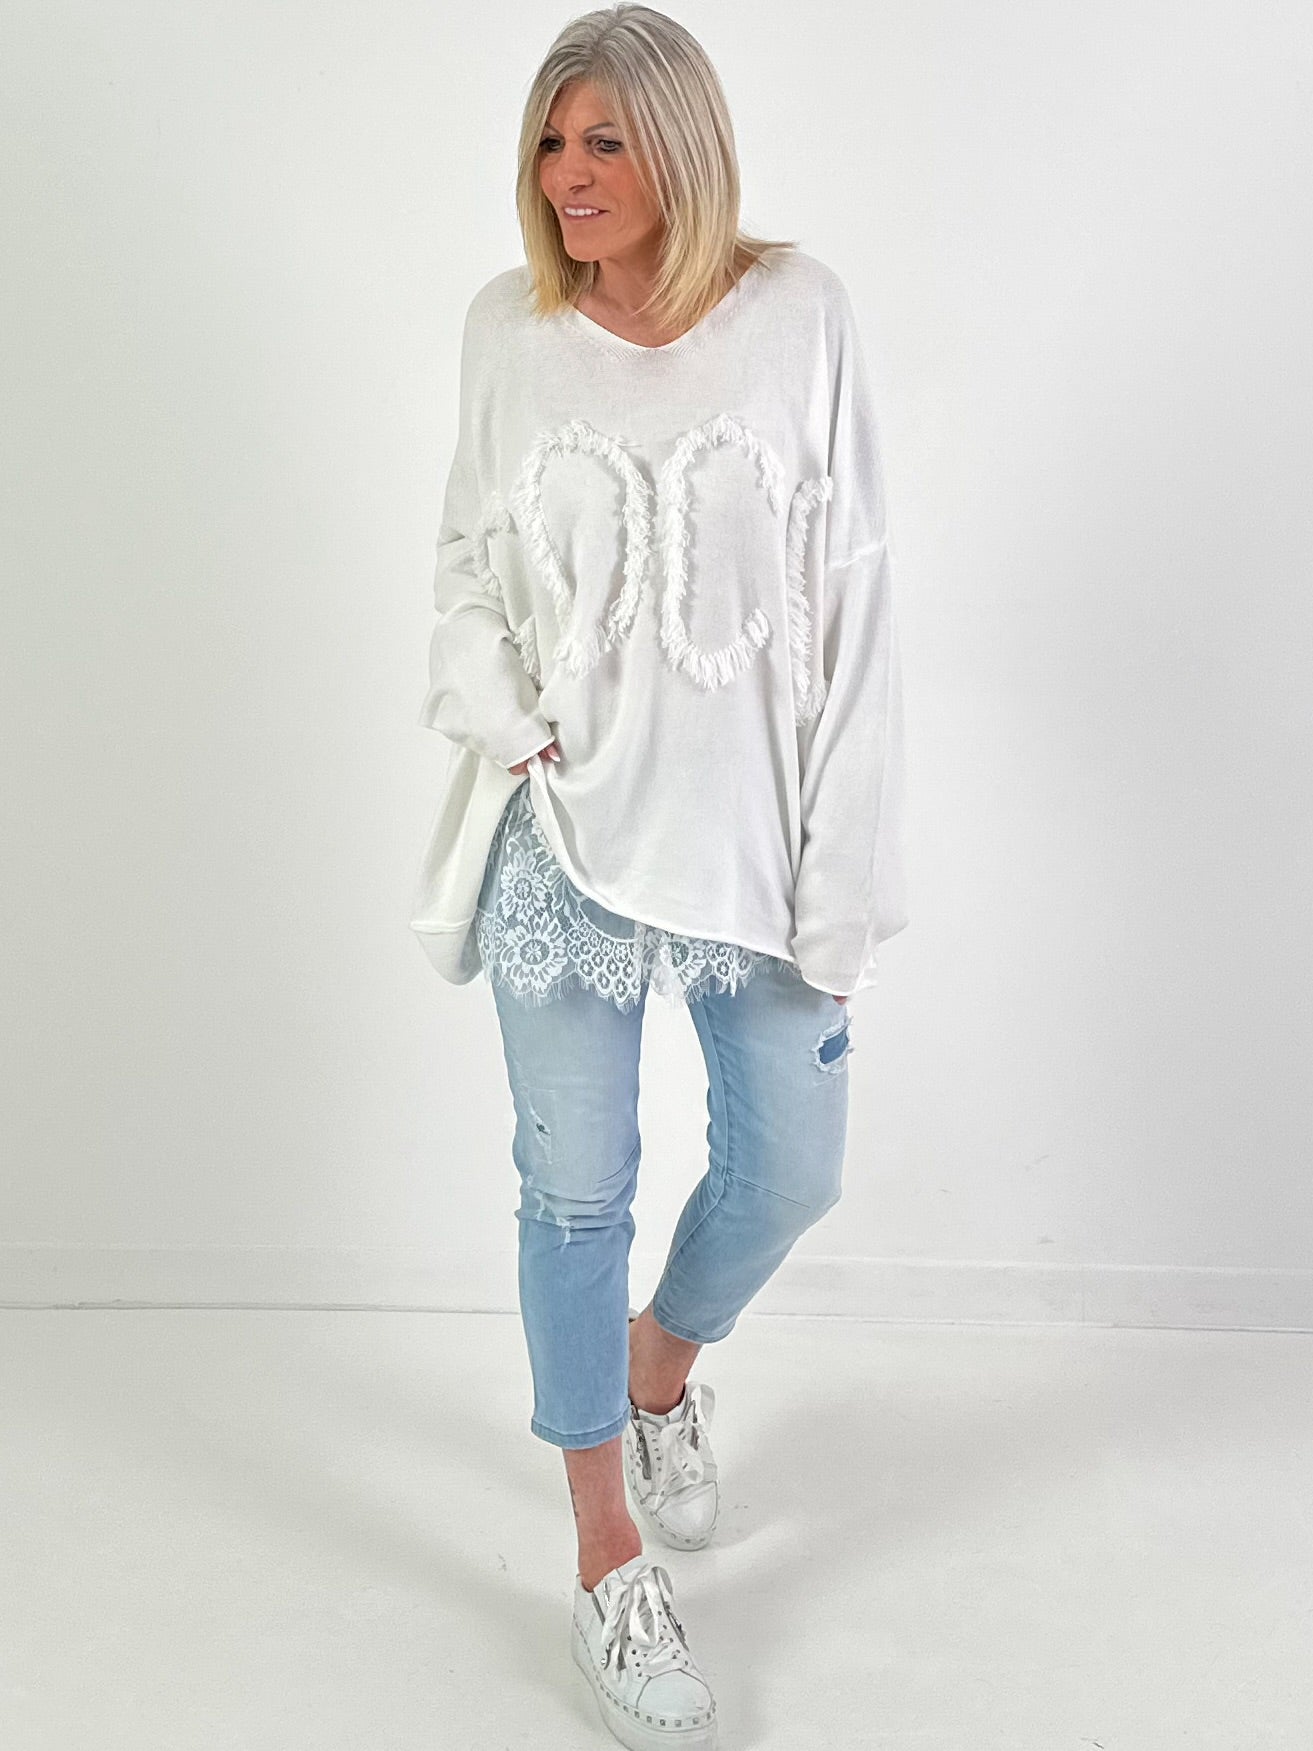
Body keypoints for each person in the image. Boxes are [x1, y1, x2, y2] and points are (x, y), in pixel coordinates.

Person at [410, 7, 909, 1745]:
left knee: (793, 1170)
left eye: (604, 141)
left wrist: (842, 882)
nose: (567, 176)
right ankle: (603, 1554)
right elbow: (464, 567)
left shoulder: (799, 315)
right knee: (572, 1196)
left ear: (681, 148)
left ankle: (655, 1370)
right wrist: (504, 715)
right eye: (551, 143)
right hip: (561, 842)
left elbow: (856, 610)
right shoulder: (509, 330)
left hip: (754, 850)